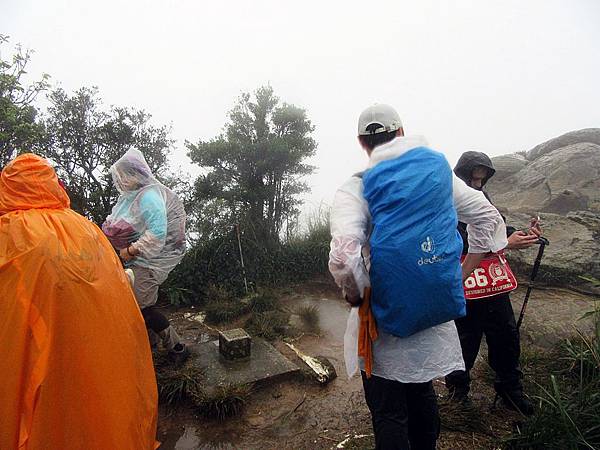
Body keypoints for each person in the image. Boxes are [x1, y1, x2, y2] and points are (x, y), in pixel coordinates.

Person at [329, 104, 508, 450]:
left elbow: (343, 256)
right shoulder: (437, 172)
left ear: (362, 143)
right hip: (433, 312)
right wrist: (459, 274)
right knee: (422, 392)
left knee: (388, 410)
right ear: (401, 133)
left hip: (382, 324)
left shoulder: (357, 187)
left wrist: (358, 297)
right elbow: (488, 217)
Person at [0, 153, 158, 449]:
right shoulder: (87, 230)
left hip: (45, 361)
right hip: (102, 356)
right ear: (52, 185)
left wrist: (133, 250)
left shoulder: (10, 235)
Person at [445, 151, 542, 415]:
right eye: (473, 179)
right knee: (465, 340)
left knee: (506, 335)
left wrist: (521, 234)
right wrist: (505, 244)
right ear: (461, 176)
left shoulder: (482, 197)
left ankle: (510, 390)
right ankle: (457, 392)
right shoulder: (448, 199)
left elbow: (495, 228)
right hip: (465, 282)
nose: (477, 185)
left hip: (493, 283)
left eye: (482, 180)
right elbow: (458, 241)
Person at [102, 148, 188, 363]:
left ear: (134, 175)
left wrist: (129, 251)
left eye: (122, 176)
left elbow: (158, 233)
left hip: (149, 263)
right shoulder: (132, 197)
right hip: (139, 261)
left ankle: (177, 347)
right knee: (137, 306)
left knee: (143, 308)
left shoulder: (149, 196)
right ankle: (149, 349)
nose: (119, 181)